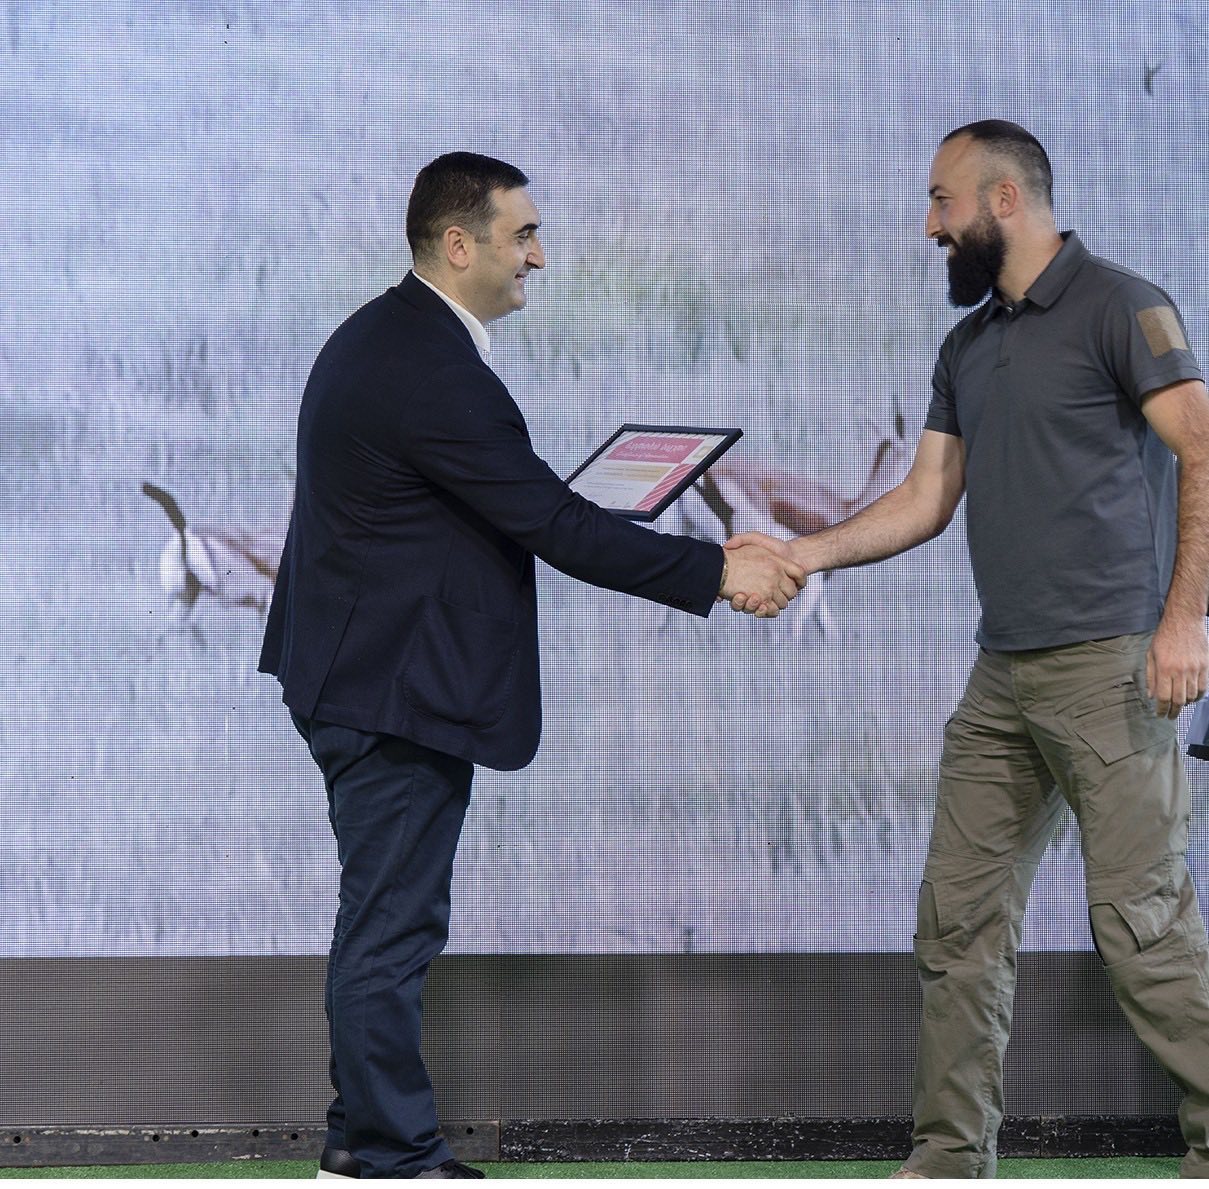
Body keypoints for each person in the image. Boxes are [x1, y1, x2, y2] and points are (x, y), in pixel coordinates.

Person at [259, 151, 803, 1180]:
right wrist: (717, 571)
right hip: (390, 691)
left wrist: (592, 517)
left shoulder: (391, 337)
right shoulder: (429, 367)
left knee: (385, 917)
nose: (538, 257)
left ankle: (361, 1141)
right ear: (457, 244)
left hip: (367, 678)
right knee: (391, 925)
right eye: (523, 235)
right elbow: (554, 524)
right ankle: (387, 1155)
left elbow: (521, 509)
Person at [728, 120, 1209, 1178]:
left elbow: (1202, 447)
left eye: (941, 201)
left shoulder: (1121, 305)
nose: (929, 226)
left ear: (1003, 200)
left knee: (1141, 925)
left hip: (1110, 665)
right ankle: (948, 1157)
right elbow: (925, 497)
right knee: (957, 922)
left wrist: (1187, 621)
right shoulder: (969, 345)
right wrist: (801, 553)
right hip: (1003, 677)